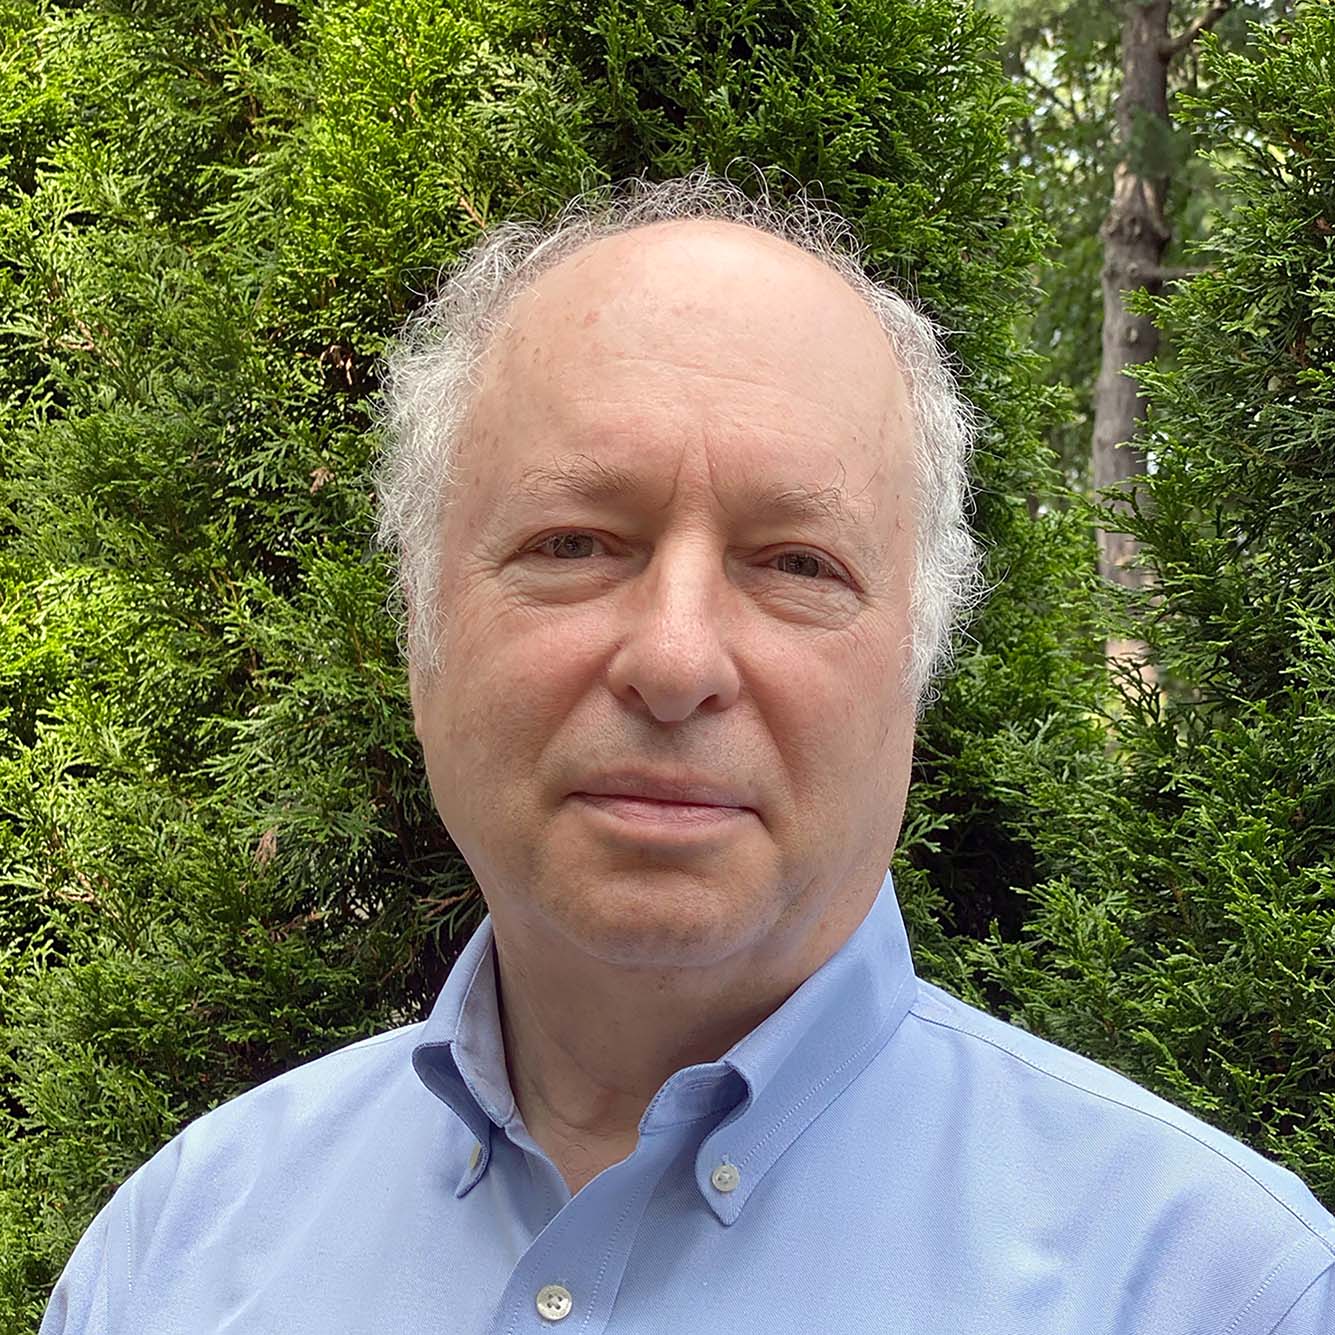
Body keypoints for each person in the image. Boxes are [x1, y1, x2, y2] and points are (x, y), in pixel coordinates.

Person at [41, 174, 1334, 1335]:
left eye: (797, 565)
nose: (674, 659)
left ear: (915, 675)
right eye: (575, 544)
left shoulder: (1226, 1295)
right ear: (420, 638)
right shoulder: (169, 1261)